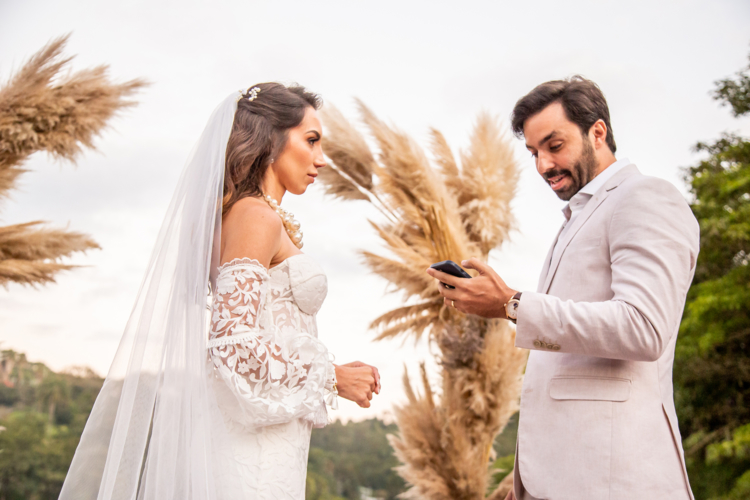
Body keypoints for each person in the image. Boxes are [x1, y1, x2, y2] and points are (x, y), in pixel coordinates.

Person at [61, 83, 380, 500]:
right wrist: (331, 377)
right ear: (271, 138)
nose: (321, 159)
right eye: (311, 140)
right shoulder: (255, 217)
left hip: (268, 431)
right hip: (254, 450)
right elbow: (232, 342)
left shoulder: (249, 215)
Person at [427, 76, 698, 500]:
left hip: (616, 481)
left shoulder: (645, 197)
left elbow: (644, 327)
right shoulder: (578, 217)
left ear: (598, 132)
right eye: (534, 153)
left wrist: (512, 305)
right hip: (561, 480)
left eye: (555, 146)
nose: (543, 166)